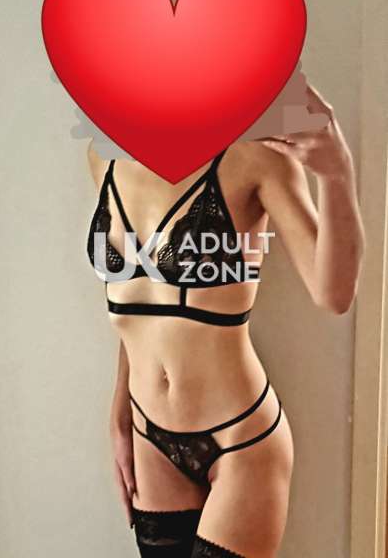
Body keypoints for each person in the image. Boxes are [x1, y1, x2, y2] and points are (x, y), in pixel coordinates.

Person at [86, 80, 365, 557]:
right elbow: (134, 298)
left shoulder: (256, 156)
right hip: (150, 436)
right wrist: (120, 409)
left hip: (240, 437)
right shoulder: (103, 155)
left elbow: (333, 294)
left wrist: (337, 172)